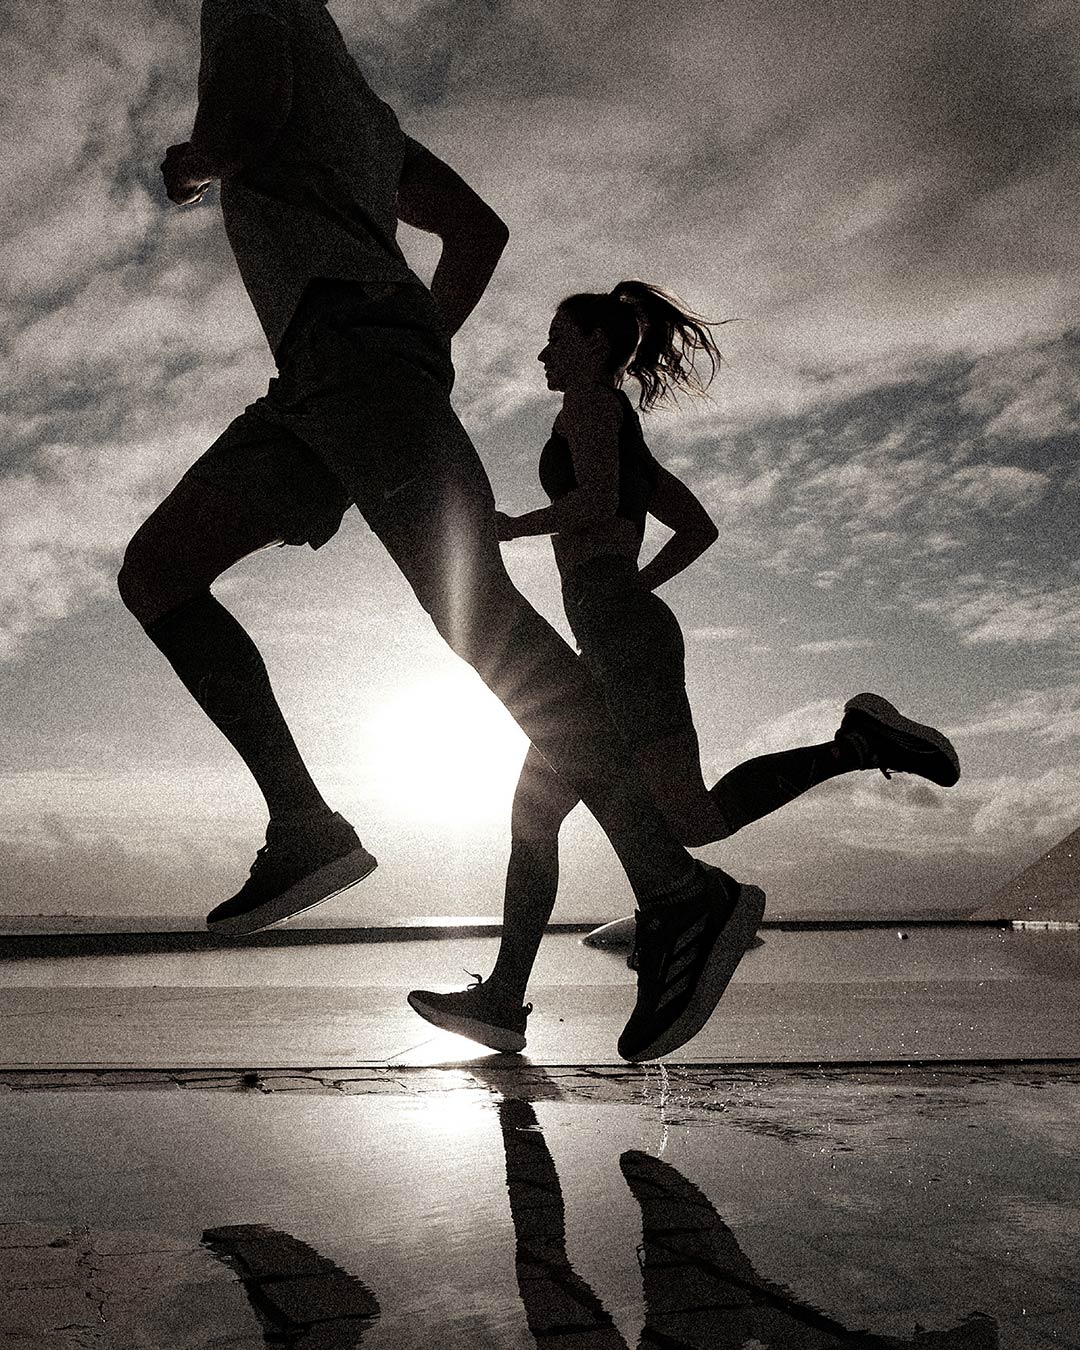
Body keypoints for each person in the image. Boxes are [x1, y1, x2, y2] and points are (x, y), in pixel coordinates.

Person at [116, 0, 764, 1063]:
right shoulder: (362, 115)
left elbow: (240, 124)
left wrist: (195, 163)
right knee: (159, 572)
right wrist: (416, 341)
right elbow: (478, 230)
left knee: (484, 623)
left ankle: (678, 892)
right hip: (332, 379)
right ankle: (305, 828)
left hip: (350, 358)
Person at [407, 281, 960, 1052]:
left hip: (618, 636)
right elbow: (695, 526)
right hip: (621, 630)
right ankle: (860, 744)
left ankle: (504, 996)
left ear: (595, 345)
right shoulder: (622, 432)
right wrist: (630, 587)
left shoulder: (591, 409)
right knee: (682, 818)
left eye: (556, 337)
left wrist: (511, 529)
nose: (543, 351)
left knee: (538, 815)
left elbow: (596, 502)